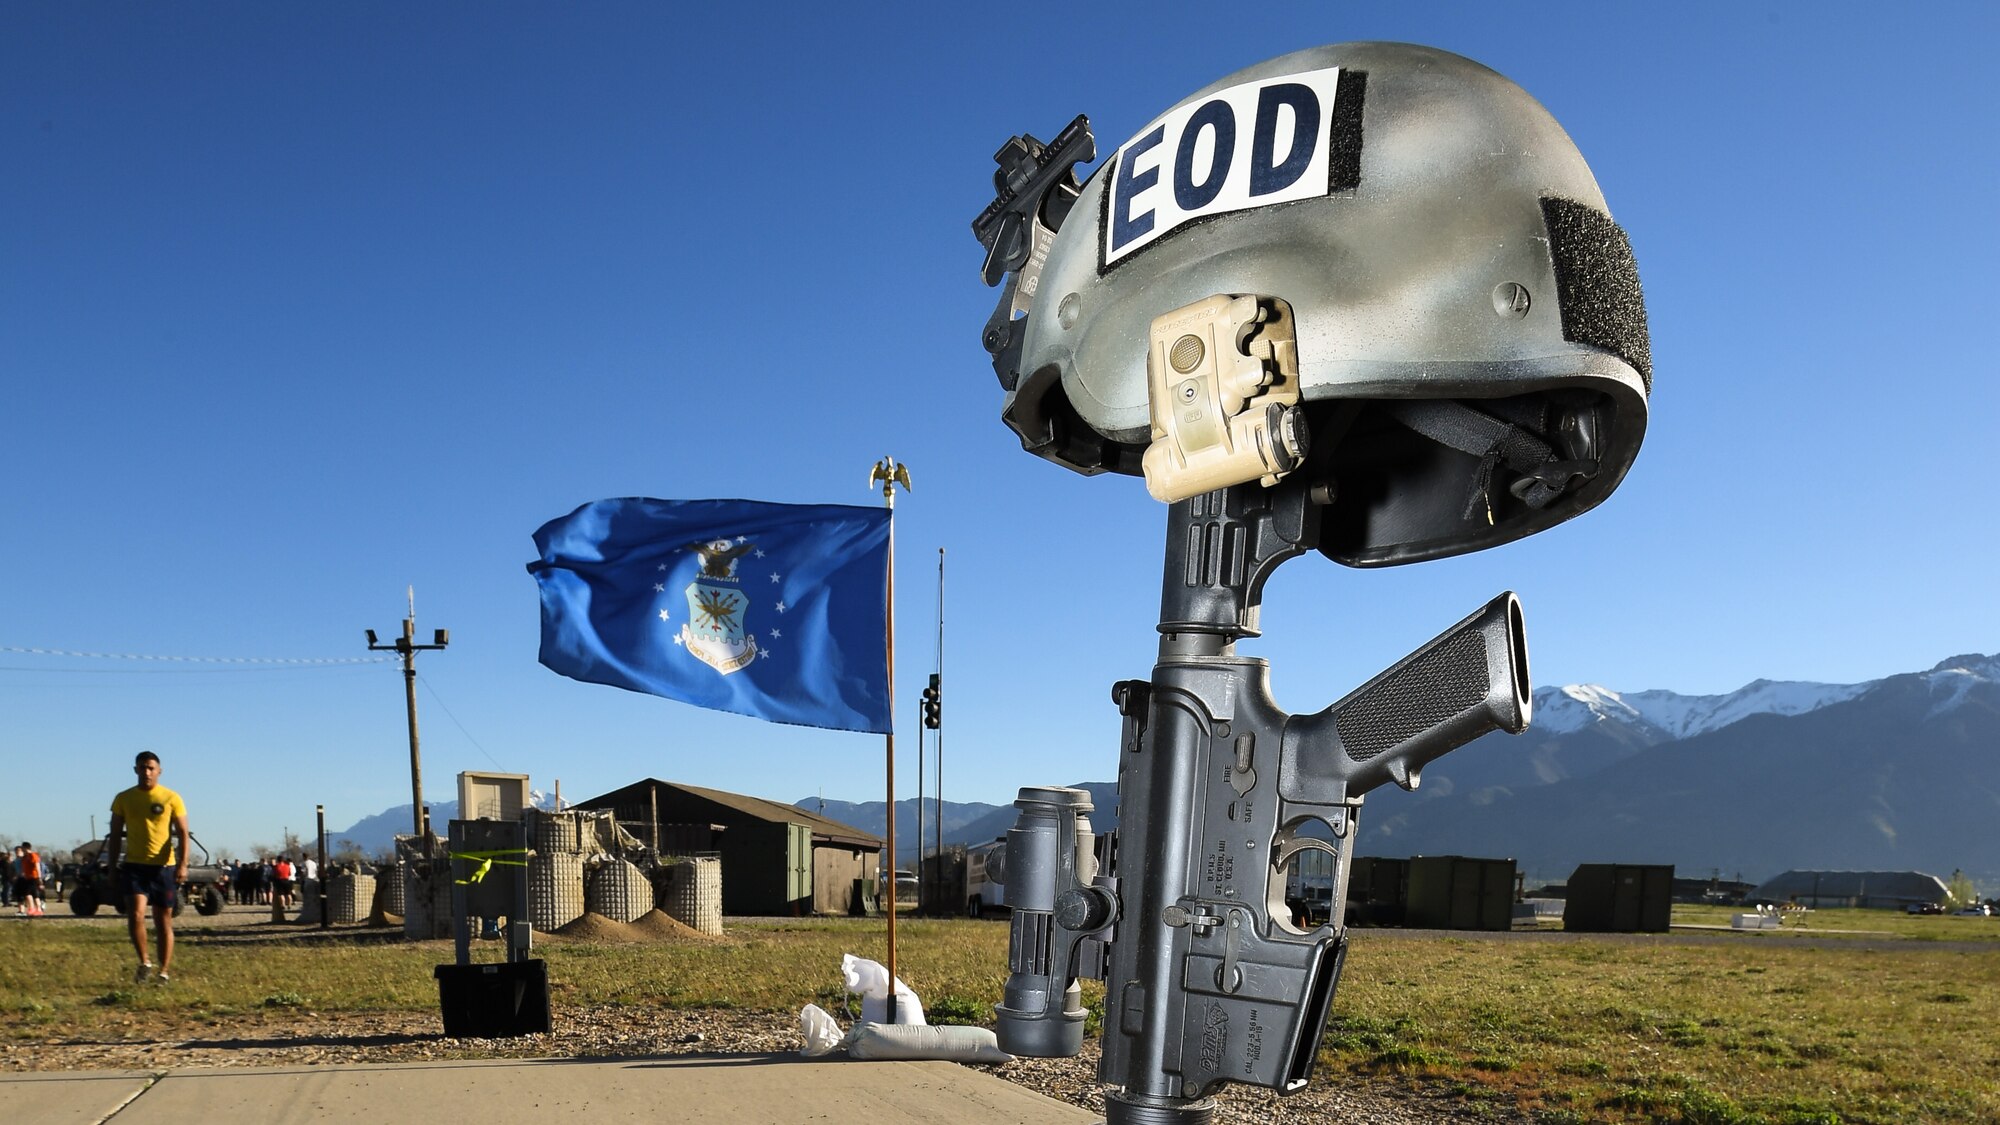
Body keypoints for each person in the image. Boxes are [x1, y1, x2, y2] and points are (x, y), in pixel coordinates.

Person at [106, 751, 190, 983]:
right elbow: (114, 835)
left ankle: (164, 971)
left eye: (151, 768)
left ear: (159, 771)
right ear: (135, 770)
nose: (147, 772)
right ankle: (144, 962)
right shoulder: (123, 798)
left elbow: (183, 834)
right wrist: (112, 868)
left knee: (163, 920)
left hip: (164, 867)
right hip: (134, 866)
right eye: (142, 767)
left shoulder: (171, 797)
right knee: (135, 915)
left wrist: (183, 865)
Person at [16, 843, 45, 916]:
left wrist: (39, 877)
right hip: (28, 877)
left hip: (34, 877)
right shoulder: (25, 857)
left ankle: (34, 908)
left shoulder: (32, 855)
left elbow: (37, 866)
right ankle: (36, 909)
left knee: (28, 893)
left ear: (26, 848)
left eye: (22, 848)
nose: (22, 849)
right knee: (33, 894)